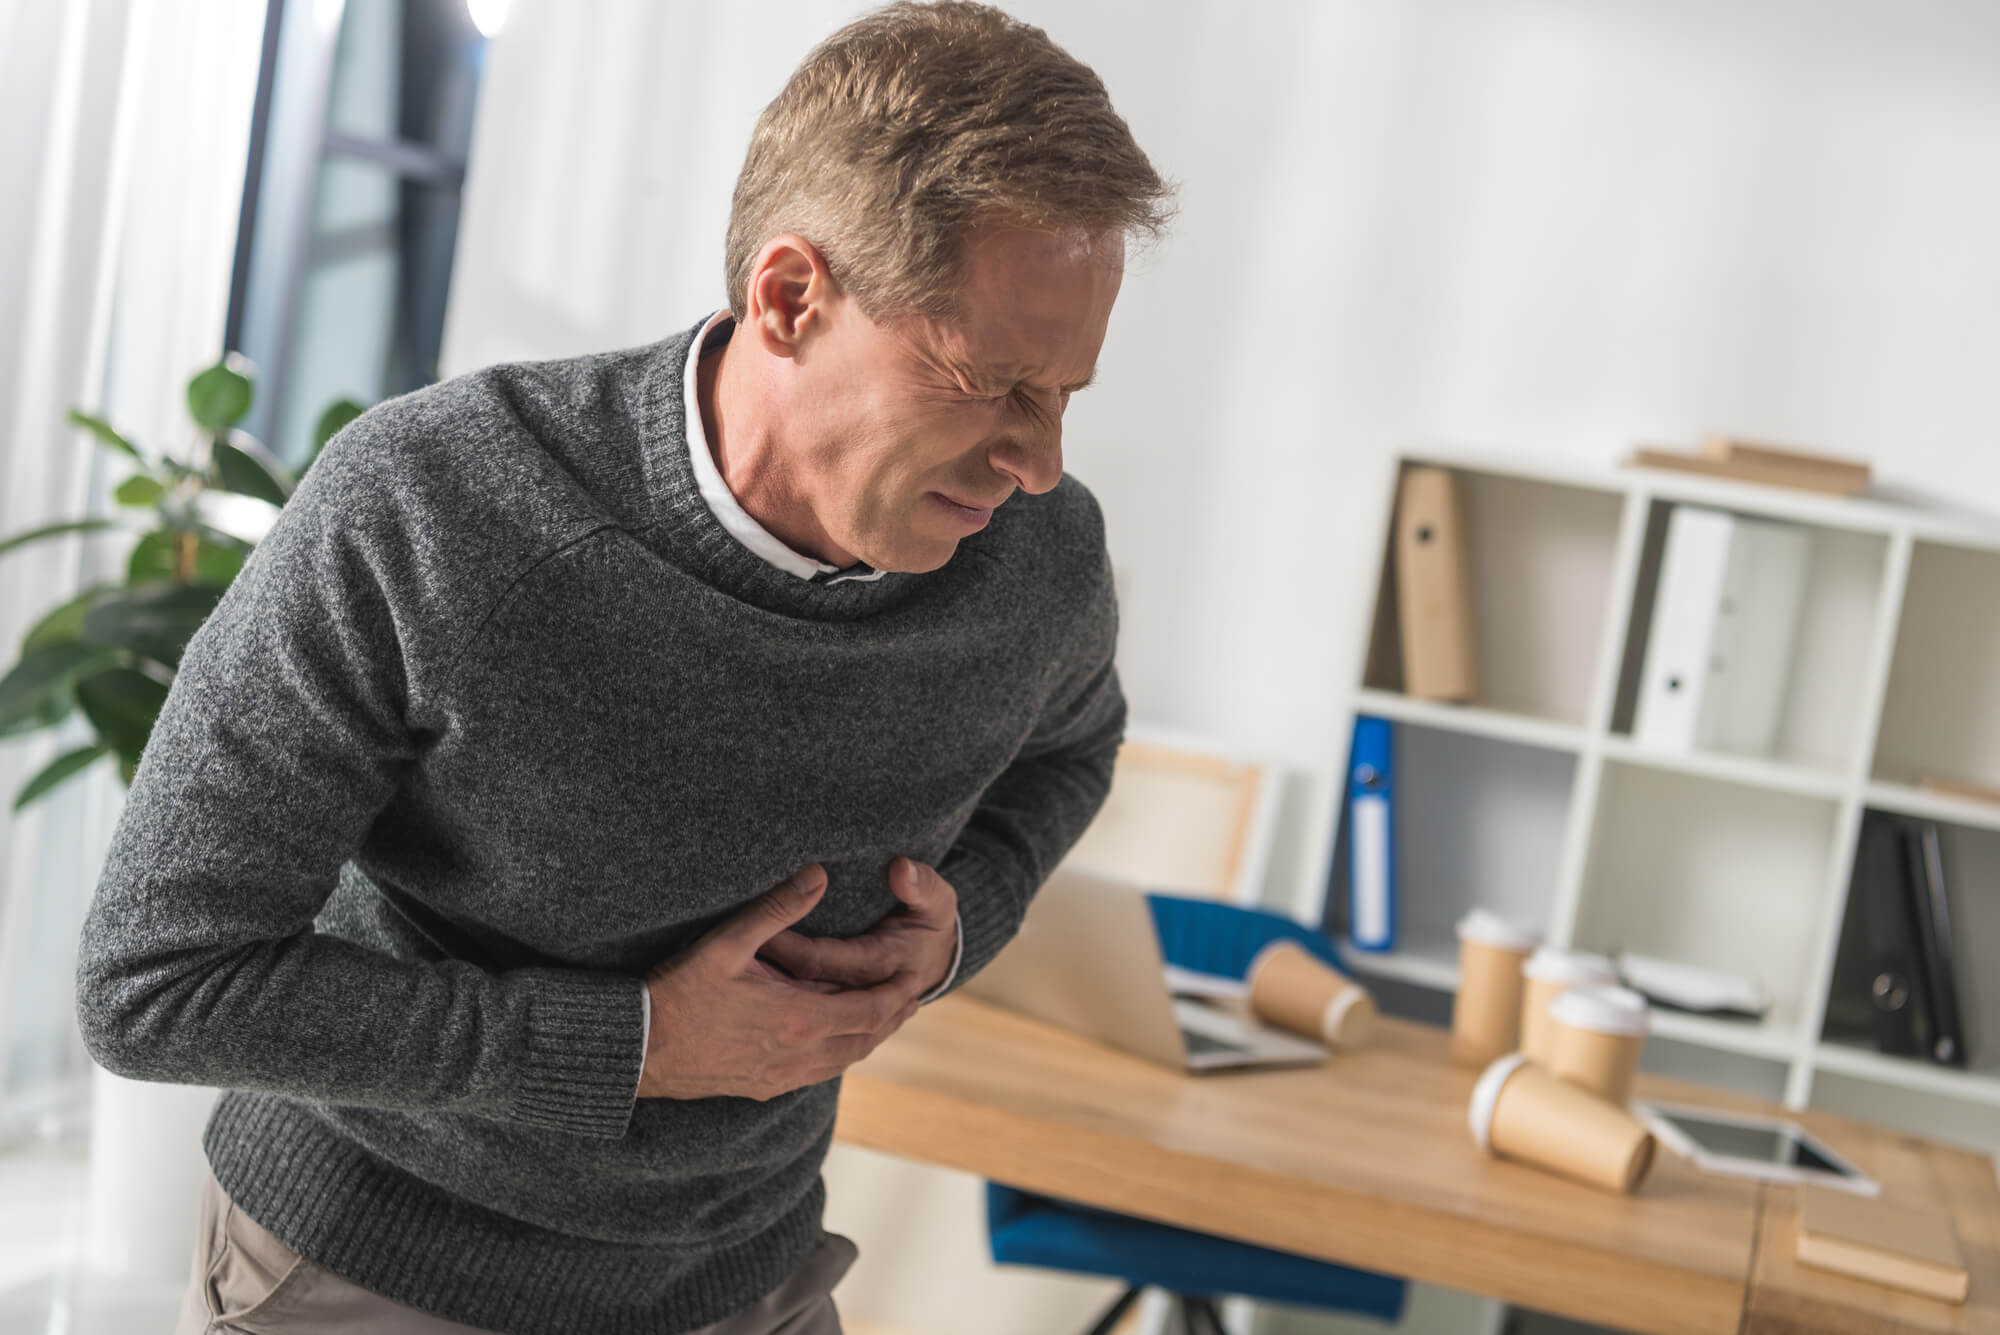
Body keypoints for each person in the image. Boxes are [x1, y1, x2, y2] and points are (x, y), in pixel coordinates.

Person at [72, 3, 1172, 1333]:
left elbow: (1072, 747)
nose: (1039, 462)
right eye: (992, 382)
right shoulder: (434, 506)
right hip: (374, 1271)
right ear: (790, 299)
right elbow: (158, 982)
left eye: (1065, 394)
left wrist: (957, 928)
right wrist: (635, 1043)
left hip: (746, 1272)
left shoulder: (1038, 558)